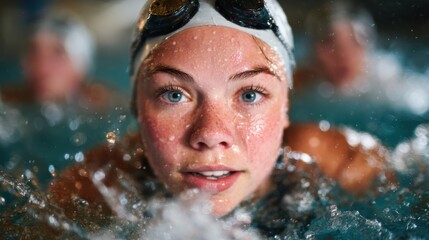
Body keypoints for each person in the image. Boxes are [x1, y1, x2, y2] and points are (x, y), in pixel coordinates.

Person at [45, 0, 395, 237]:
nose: (211, 134)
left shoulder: (343, 163)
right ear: (137, 107)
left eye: (249, 95)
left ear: (286, 106)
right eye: (174, 94)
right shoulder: (91, 189)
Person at [290, 2, 429, 147]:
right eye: (329, 42)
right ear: (314, 54)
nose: (343, 55)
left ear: (367, 47)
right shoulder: (301, 80)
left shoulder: (387, 81)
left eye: (355, 42)